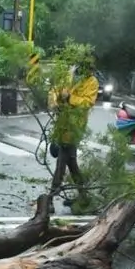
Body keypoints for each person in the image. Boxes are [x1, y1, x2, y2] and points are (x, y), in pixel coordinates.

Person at [47, 58, 99, 212]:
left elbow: (87, 102)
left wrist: (69, 98)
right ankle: (84, 197)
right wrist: (55, 102)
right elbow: (55, 91)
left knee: (63, 158)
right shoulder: (68, 76)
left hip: (75, 126)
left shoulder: (92, 82)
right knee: (71, 161)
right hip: (62, 123)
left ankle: (51, 196)